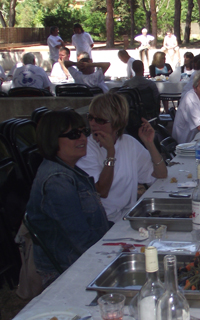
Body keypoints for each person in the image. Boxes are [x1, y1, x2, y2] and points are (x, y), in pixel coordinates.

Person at [26, 110, 110, 287]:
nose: (82, 138)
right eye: (73, 134)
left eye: (84, 132)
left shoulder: (69, 171)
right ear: (52, 139)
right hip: (66, 270)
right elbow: (82, 241)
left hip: (81, 259)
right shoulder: (57, 181)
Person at [76, 92, 167, 223]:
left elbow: (160, 175)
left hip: (128, 216)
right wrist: (110, 154)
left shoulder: (128, 142)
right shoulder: (86, 148)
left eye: (100, 120)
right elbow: (102, 191)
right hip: (104, 221)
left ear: (117, 123)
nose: (93, 123)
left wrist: (149, 144)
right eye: (90, 118)